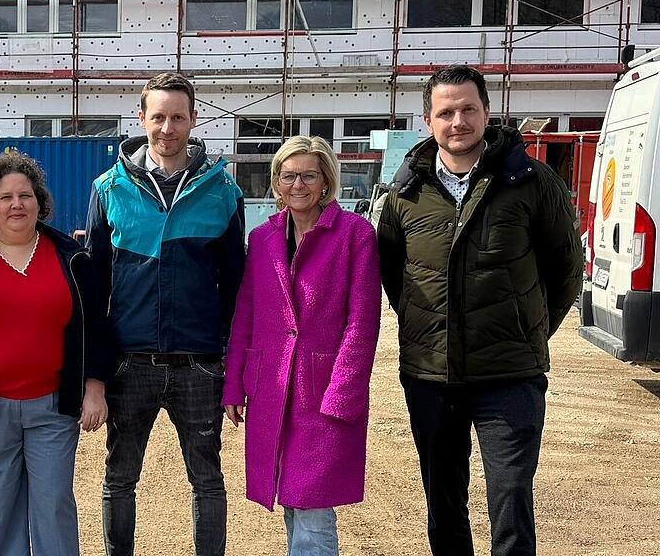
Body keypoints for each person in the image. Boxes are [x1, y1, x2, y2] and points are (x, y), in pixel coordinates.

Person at [377, 64, 583, 556]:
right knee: (443, 502)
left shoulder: (532, 182)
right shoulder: (406, 194)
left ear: (487, 113)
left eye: (468, 108)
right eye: (445, 112)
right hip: (430, 376)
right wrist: (427, 331)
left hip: (509, 375)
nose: (458, 121)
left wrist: (526, 330)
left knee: (510, 498)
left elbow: (565, 270)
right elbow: (394, 275)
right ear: (428, 121)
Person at [86, 71, 246, 556]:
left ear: (194, 120)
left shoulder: (224, 192)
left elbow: (237, 288)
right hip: (128, 363)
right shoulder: (108, 188)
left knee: (208, 481)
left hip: (199, 363)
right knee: (119, 479)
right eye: (158, 116)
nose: (168, 127)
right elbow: (93, 289)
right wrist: (95, 373)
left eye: (178, 117)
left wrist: (231, 365)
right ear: (141, 118)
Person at [0, 150, 114, 556]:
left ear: (39, 202)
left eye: (26, 195)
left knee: (53, 507)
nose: (17, 204)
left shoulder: (71, 257)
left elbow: (96, 326)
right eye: (5, 197)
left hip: (53, 407)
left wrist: (95, 387)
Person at [222, 136, 380, 556]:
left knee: (312, 507)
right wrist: (235, 385)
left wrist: (343, 393)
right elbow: (247, 315)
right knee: (292, 500)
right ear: (276, 182)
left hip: (323, 390)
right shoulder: (262, 239)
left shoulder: (355, 235)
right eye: (288, 175)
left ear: (326, 180)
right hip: (272, 387)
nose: (298, 185)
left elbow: (362, 323)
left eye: (309, 175)